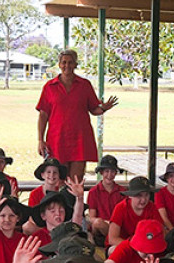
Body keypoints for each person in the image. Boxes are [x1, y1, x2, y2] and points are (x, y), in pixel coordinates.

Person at [37, 49, 118, 187]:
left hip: (80, 139)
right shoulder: (50, 87)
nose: (67, 65)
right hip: (57, 139)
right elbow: (43, 115)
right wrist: (40, 140)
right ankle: (58, 208)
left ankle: (75, 208)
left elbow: (94, 109)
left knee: (76, 181)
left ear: (75, 64)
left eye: (70, 62)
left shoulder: (84, 85)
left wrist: (104, 108)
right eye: (64, 62)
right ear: (59, 64)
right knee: (57, 180)